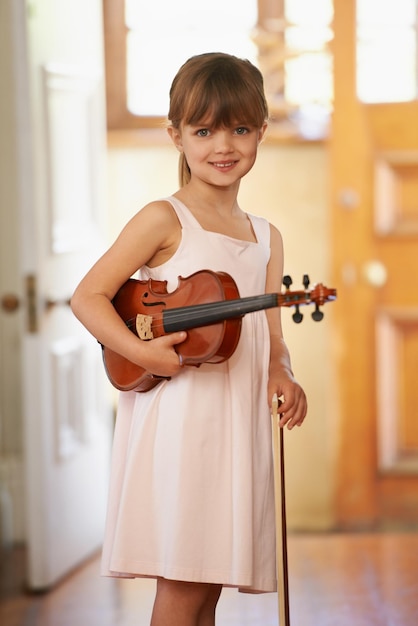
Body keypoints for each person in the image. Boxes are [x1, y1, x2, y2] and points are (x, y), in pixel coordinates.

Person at [71, 52, 307, 626]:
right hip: (181, 425)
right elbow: (88, 297)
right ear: (175, 135)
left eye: (240, 129)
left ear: (261, 133)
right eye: (204, 130)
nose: (223, 145)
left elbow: (270, 332)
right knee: (182, 589)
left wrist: (283, 371)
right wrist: (142, 352)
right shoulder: (163, 219)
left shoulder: (266, 237)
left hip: (237, 425)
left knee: (206, 594)